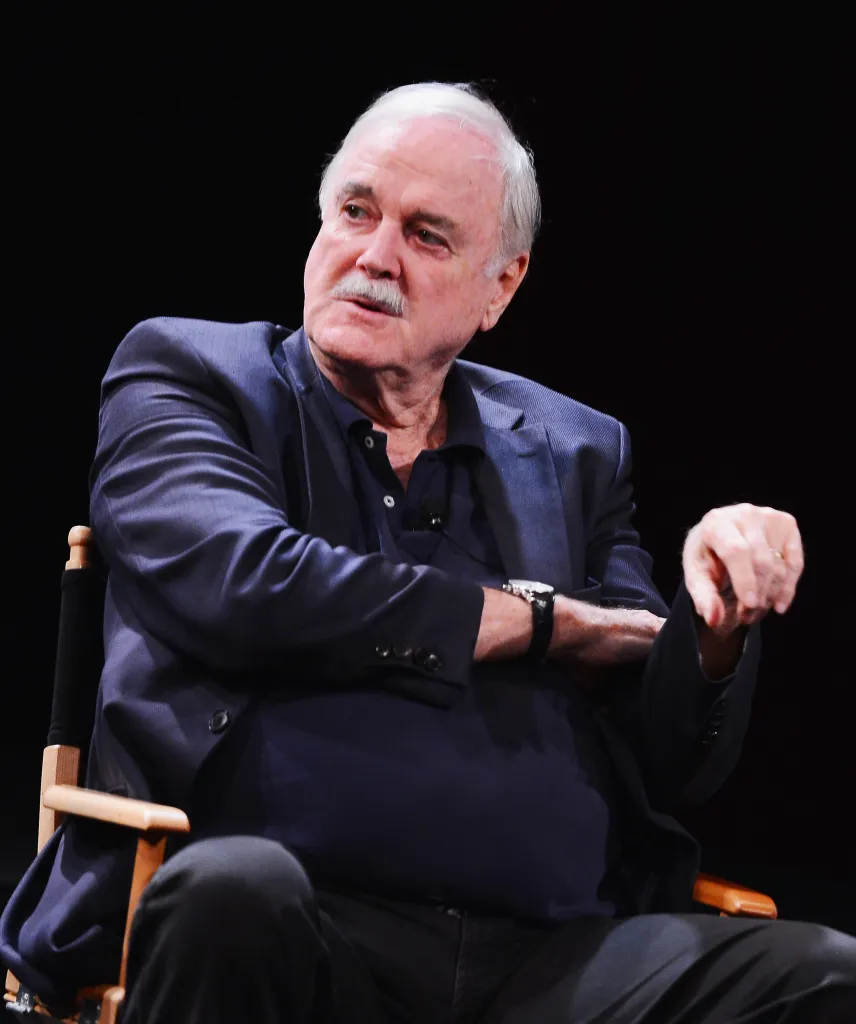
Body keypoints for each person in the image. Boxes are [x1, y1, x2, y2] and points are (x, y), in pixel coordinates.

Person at [2, 81, 854, 1023]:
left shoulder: (573, 450)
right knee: (232, 894)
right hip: (296, 924)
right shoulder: (193, 377)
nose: (374, 258)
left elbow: (664, 748)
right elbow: (245, 585)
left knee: (826, 975)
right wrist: (538, 624)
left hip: (548, 955)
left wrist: (716, 625)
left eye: (427, 235)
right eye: (357, 211)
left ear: (502, 284)